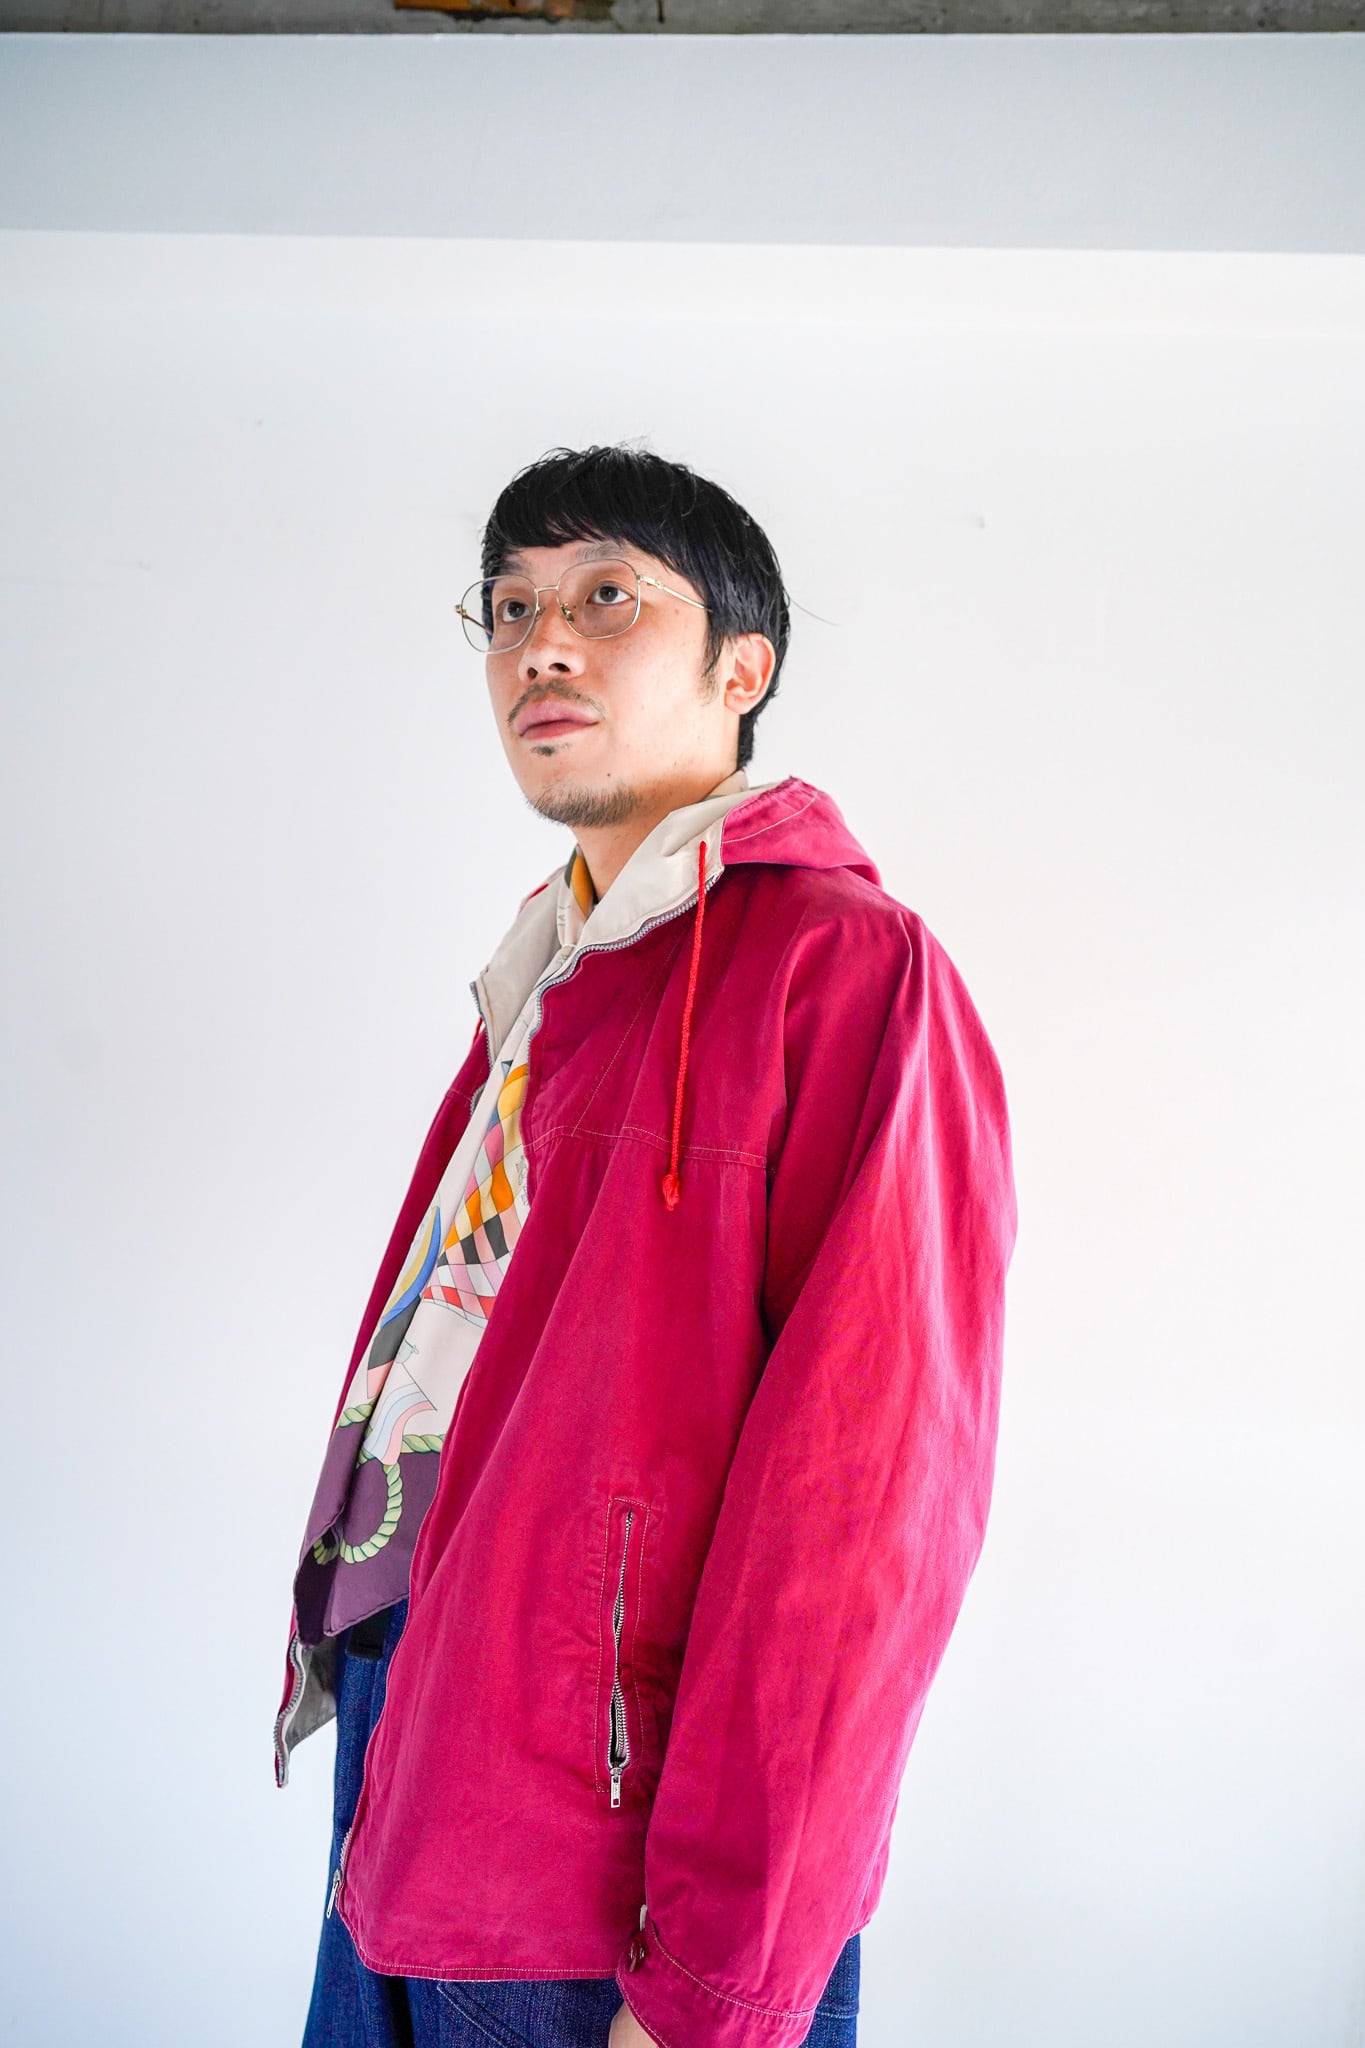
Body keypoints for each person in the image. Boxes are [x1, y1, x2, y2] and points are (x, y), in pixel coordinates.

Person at [276, 442, 1018, 2048]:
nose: (540, 643)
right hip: (416, 1755)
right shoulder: (556, 977)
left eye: (607, 597)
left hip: (610, 1857)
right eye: (509, 607)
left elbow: (862, 1519)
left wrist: (717, 1981)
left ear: (741, 670)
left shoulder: (845, 970)